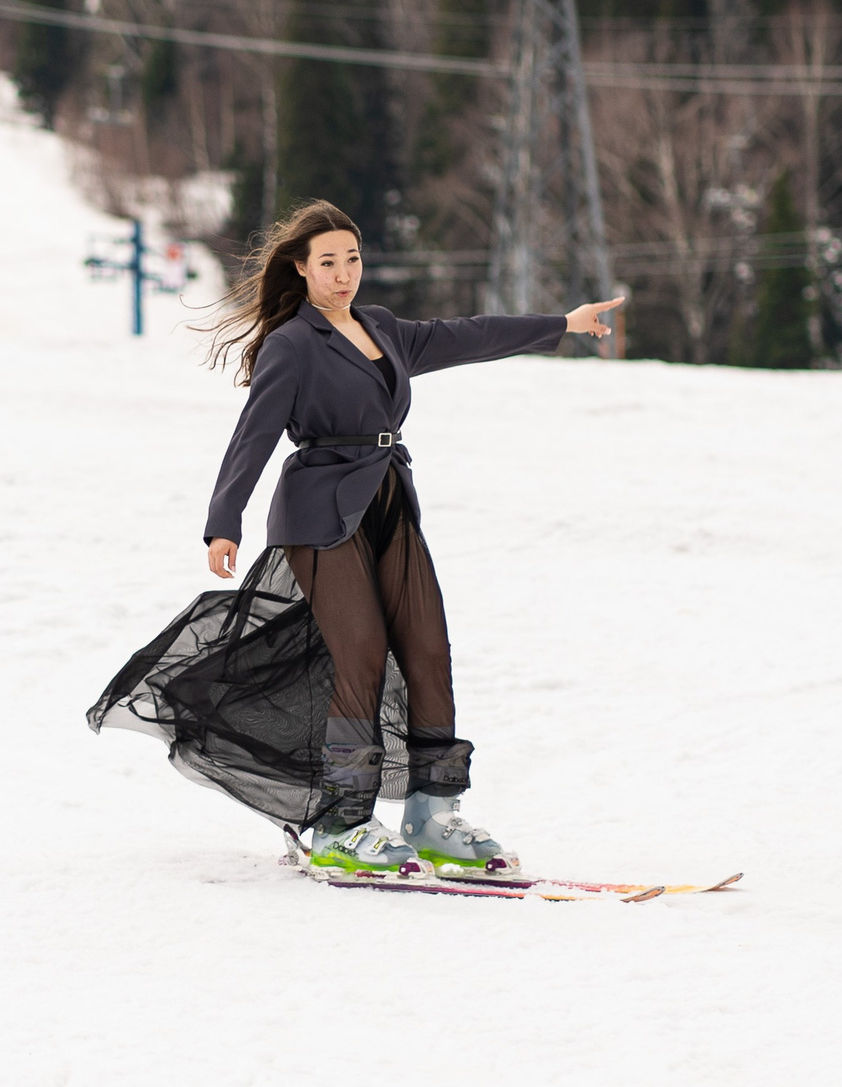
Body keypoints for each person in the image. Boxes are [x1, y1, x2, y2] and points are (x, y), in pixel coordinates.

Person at [88, 199, 624, 877]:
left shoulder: (382, 328)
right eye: (329, 262)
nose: (345, 273)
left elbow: (469, 333)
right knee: (362, 652)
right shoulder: (291, 343)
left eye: (353, 258)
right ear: (303, 270)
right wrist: (224, 518)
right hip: (318, 512)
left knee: (428, 645)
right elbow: (253, 432)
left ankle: (434, 814)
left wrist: (562, 324)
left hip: (387, 500)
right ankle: (343, 822)